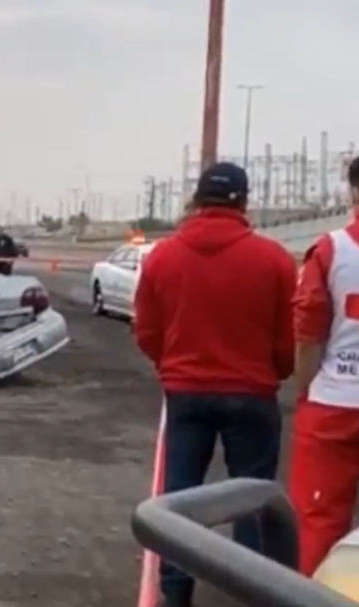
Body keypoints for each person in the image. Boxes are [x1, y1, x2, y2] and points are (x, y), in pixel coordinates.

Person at [133, 161, 296, 607]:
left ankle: (175, 591)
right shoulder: (275, 260)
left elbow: (146, 329)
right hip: (252, 392)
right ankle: (251, 590)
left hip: (186, 392)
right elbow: (286, 340)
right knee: (252, 495)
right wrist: (275, 372)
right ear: (242, 202)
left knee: (180, 497)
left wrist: (170, 365)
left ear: (198, 201)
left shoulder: (163, 257)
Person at [289, 155, 359, 577]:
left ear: (353, 192)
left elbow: (309, 333)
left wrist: (305, 388)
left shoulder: (332, 250)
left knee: (317, 524)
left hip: (333, 402)